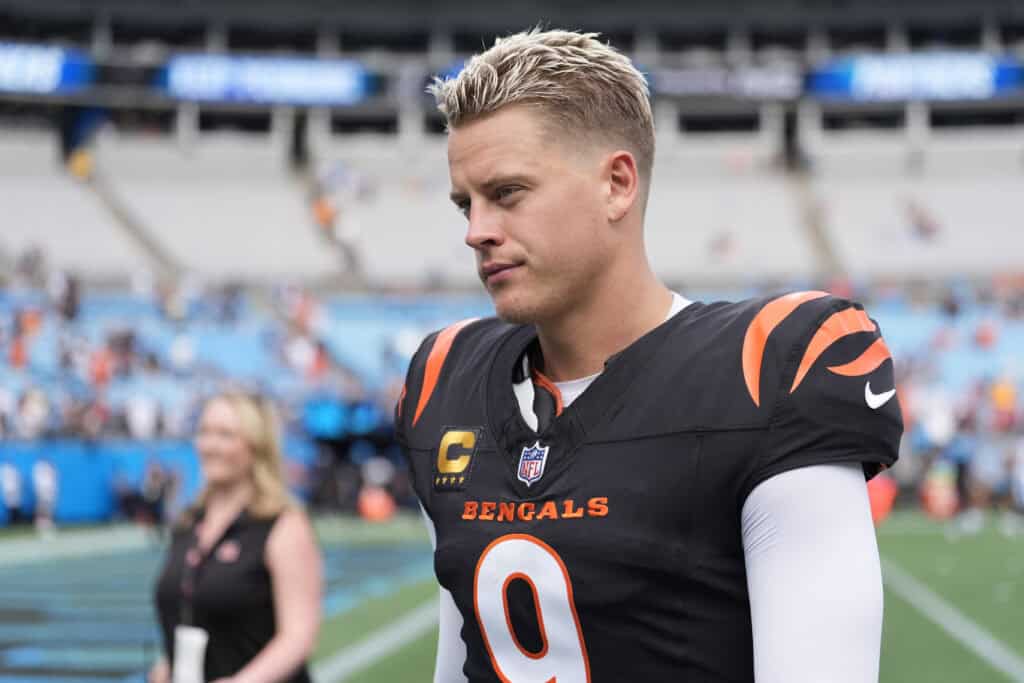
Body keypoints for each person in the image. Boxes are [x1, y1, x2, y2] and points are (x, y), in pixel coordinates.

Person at [394, 29, 903, 682]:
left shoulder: (765, 369)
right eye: (467, 203)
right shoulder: (446, 374)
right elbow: (461, 658)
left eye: (509, 192)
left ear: (616, 184)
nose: (476, 231)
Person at [151, 392, 322, 683]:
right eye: (204, 432)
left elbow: (298, 636)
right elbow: (189, 614)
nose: (210, 445)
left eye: (225, 435)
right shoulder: (189, 523)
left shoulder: (283, 525)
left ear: (256, 445)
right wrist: (166, 667)